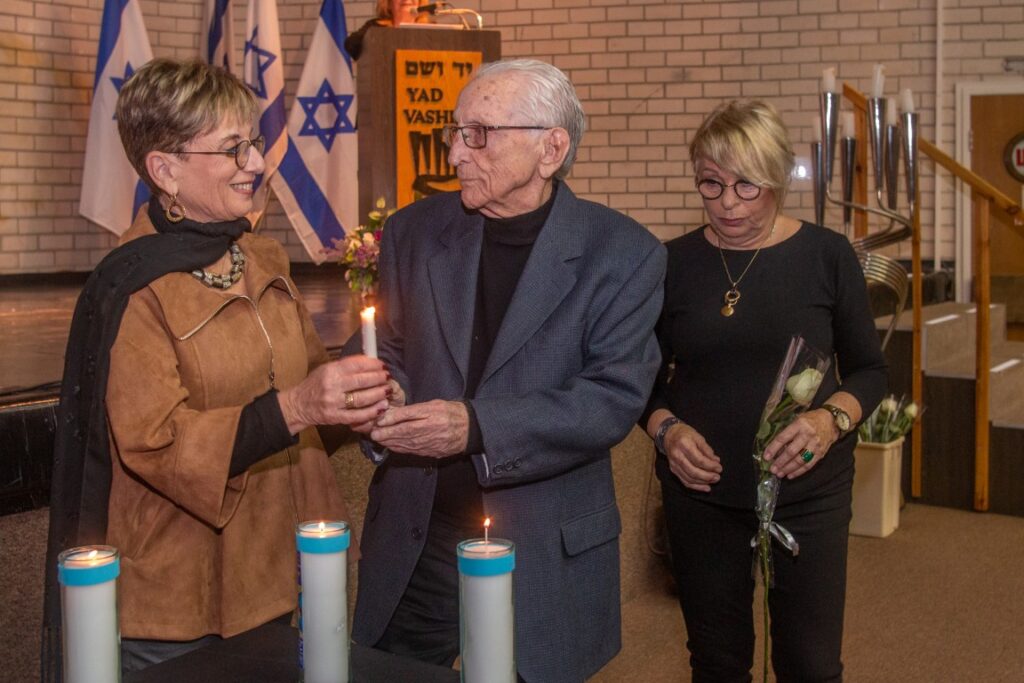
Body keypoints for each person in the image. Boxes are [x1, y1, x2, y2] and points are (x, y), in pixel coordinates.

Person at [41, 58, 392, 678]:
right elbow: (155, 441)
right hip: (179, 599)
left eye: (253, 143)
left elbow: (308, 400)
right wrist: (298, 406)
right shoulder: (132, 286)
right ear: (165, 170)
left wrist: (359, 395)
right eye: (233, 149)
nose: (256, 163)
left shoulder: (262, 257)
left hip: (280, 572)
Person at [351, 58, 666, 682]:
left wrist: (473, 427)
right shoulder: (414, 232)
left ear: (551, 149)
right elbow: (384, 348)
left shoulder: (623, 253)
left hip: (544, 541)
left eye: (480, 134)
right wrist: (377, 392)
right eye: (455, 132)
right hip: (420, 530)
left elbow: (609, 399)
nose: (455, 154)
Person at [643, 99, 888, 681]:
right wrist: (666, 431)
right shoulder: (671, 263)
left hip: (808, 491)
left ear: (777, 178)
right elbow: (641, 382)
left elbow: (870, 372)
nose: (727, 202)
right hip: (701, 493)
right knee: (717, 662)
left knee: (810, 664)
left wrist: (830, 420)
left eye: (746, 185)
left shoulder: (827, 256)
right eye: (711, 183)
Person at [344, 0, 433, 60]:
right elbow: (351, 44)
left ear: (420, 2)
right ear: (389, 4)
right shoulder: (375, 27)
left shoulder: (432, 29)